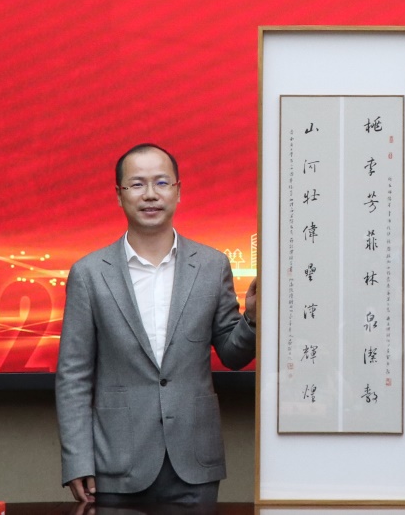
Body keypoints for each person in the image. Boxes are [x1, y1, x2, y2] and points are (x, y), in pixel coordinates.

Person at [55, 143, 257, 506]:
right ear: (119, 195)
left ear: (178, 191)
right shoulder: (89, 273)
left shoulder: (212, 266)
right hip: (115, 464)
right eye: (137, 184)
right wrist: (77, 460)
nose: (150, 194)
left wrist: (253, 318)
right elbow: (73, 376)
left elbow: (232, 354)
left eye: (162, 183)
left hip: (194, 462)